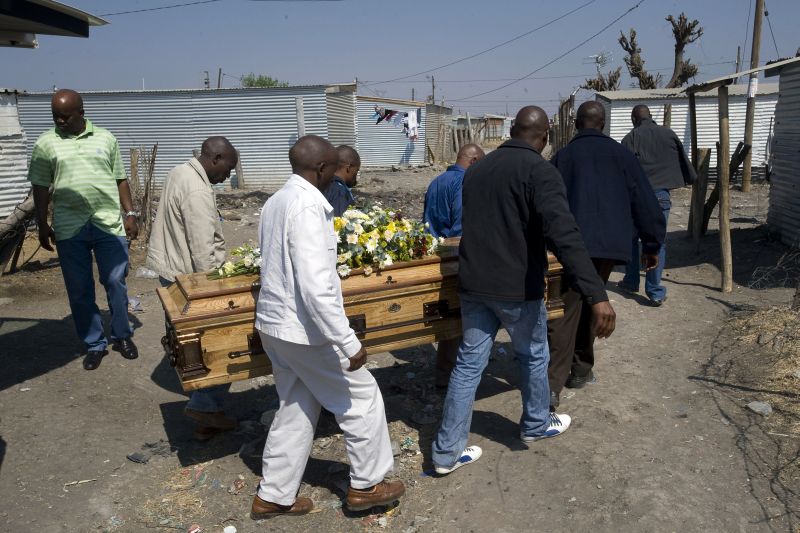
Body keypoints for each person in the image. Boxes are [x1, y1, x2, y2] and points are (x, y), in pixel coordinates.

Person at [431, 106, 616, 475]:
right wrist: (597, 295)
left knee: (469, 365)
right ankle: (535, 423)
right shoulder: (541, 172)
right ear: (545, 138)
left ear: (512, 130)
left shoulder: (477, 169)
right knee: (533, 355)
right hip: (516, 287)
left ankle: (445, 454)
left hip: (474, 283)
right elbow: (565, 235)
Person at [251, 135, 404, 518]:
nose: (338, 174)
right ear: (321, 169)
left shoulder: (277, 201)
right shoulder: (305, 207)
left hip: (276, 325)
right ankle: (368, 485)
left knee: (296, 407)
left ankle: (273, 495)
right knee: (362, 398)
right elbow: (316, 287)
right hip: (305, 330)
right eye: (334, 167)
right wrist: (347, 341)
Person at [547, 102, 666, 405]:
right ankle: (571, 374)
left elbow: (547, 203)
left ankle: (556, 380)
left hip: (570, 247)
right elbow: (646, 204)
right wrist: (651, 246)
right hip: (608, 249)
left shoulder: (563, 158)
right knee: (589, 302)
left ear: (576, 124)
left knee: (569, 308)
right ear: (603, 124)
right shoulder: (623, 156)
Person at [29, 89, 139, 371]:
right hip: (69, 226)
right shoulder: (45, 143)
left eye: (64, 116)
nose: (59, 121)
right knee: (79, 289)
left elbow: (120, 179)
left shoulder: (106, 138)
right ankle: (94, 343)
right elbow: (40, 186)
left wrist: (130, 214)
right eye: (55, 116)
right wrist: (42, 224)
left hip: (107, 223)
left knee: (115, 282)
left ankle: (122, 335)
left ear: (81, 112)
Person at [147, 136, 240, 441]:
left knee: (188, 344)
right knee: (213, 342)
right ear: (215, 158)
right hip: (188, 276)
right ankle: (205, 406)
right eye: (228, 168)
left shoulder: (179, 172)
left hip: (169, 269)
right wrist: (217, 288)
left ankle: (205, 416)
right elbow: (202, 249)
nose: (228, 176)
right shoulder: (198, 190)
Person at [619, 104, 696, 306]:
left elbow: (622, 170)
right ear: (651, 117)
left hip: (636, 197)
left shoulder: (630, 138)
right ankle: (655, 292)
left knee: (632, 240)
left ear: (634, 119)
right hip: (661, 195)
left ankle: (631, 280)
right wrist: (688, 178)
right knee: (657, 242)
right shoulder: (668, 134)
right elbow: (683, 161)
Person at [422, 143, 485, 389]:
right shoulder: (461, 183)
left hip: (435, 253)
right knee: (458, 320)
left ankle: (444, 372)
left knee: (446, 316)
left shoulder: (437, 181)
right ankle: (448, 376)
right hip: (454, 256)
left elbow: (426, 221)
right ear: (474, 161)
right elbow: (460, 227)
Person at [323, 145, 360, 216]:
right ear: (349, 168)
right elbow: (340, 222)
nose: (356, 175)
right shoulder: (340, 192)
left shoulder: (324, 184)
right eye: (356, 170)